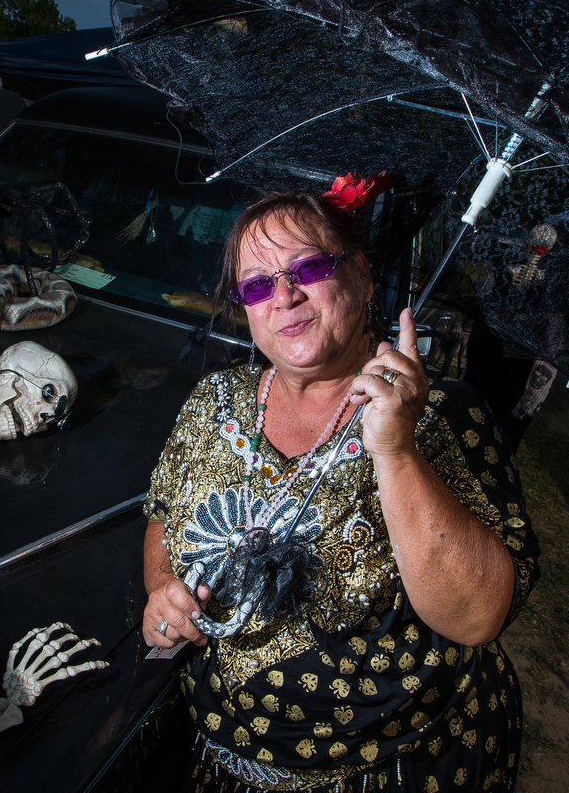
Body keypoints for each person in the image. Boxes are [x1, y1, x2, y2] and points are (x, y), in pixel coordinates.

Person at [142, 190, 539, 792]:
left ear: (361, 273)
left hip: (394, 772)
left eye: (309, 268)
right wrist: (161, 588)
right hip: (223, 764)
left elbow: (478, 615)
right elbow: (163, 514)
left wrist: (396, 450)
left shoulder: (440, 414)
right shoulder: (213, 400)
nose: (284, 296)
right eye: (256, 286)